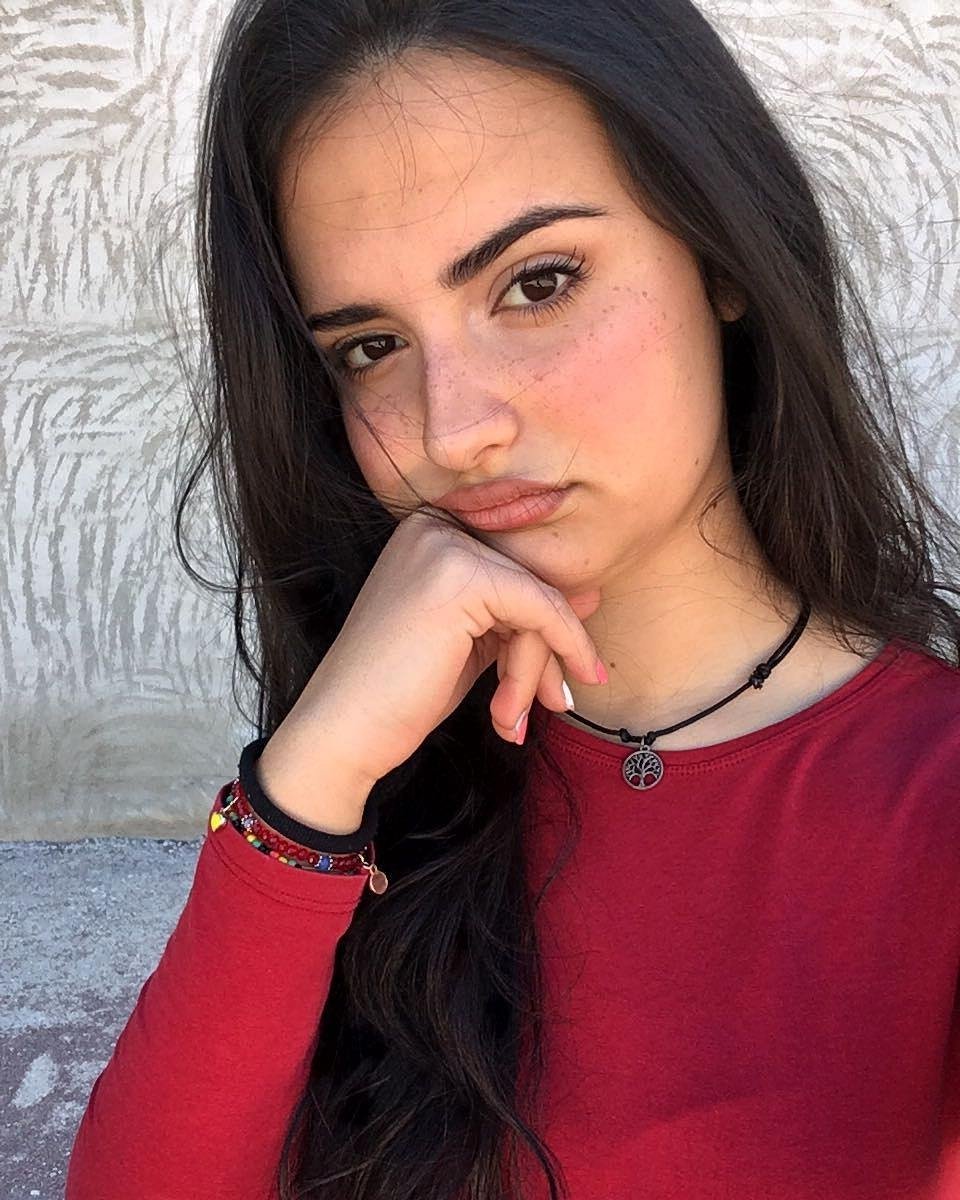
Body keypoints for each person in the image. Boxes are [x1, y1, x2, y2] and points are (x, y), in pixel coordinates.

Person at [65, 0, 960, 1197]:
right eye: (369, 348)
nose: (452, 431)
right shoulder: (377, 779)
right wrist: (311, 781)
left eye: (537, 282)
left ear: (724, 255)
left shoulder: (930, 794)